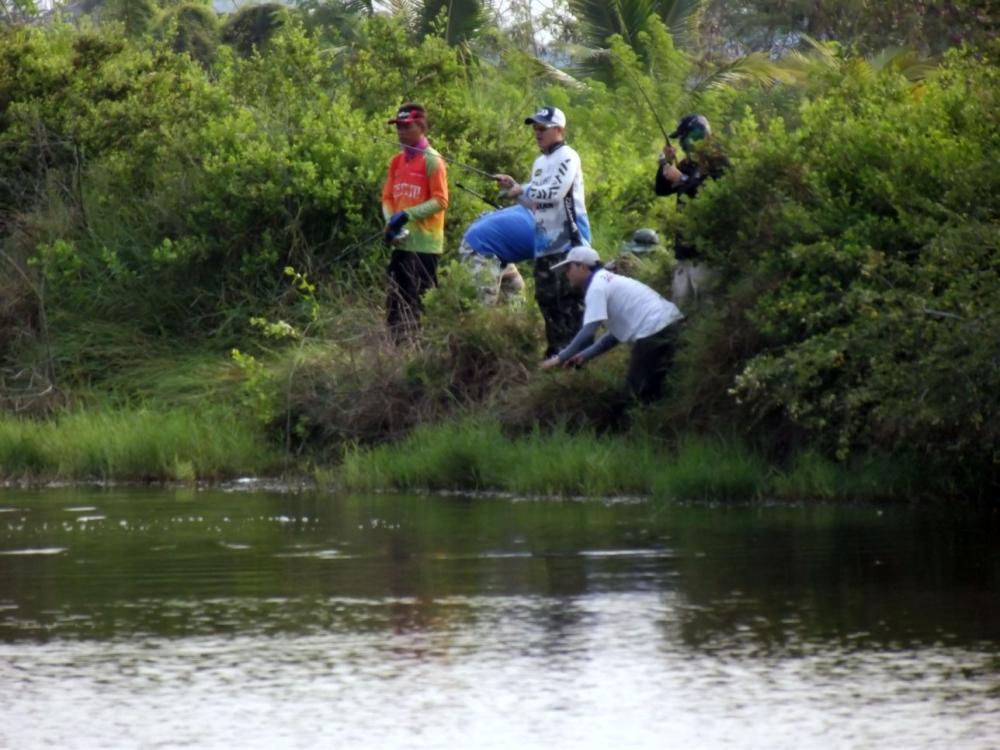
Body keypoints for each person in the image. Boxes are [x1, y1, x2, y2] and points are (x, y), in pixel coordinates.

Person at [493, 106, 591, 355]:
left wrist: (522, 189)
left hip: (570, 244)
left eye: (542, 128)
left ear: (558, 130)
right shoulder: (539, 162)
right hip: (543, 246)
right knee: (547, 302)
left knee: (569, 303)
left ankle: (579, 357)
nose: (537, 133)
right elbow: (535, 202)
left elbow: (555, 193)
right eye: (534, 127)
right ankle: (556, 354)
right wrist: (516, 190)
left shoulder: (568, 155)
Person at [540, 246, 684, 402]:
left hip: (653, 329)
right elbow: (614, 336)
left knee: (635, 396)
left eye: (568, 268)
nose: (566, 274)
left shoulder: (596, 287)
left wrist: (559, 359)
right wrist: (585, 355)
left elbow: (588, 332)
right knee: (655, 389)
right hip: (669, 323)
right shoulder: (605, 280)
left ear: (583, 266)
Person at [381, 103, 449, 342]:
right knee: (394, 306)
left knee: (419, 305)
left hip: (425, 246)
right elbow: (388, 197)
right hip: (401, 244)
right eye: (398, 127)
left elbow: (440, 200)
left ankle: (421, 352)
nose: (400, 132)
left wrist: (407, 215)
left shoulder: (433, 160)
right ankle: (396, 352)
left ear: (420, 127)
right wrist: (391, 221)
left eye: (405, 126)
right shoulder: (397, 162)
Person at [654, 114, 729, 309]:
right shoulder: (688, 164)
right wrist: (666, 164)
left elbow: (712, 193)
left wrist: (684, 180)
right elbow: (662, 190)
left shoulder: (718, 162)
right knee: (681, 309)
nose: (682, 143)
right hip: (684, 253)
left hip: (707, 254)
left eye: (684, 137)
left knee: (707, 308)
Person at [457, 204, 534, 305]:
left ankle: (514, 320)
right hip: (480, 248)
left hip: (498, 250)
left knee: (517, 293)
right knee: (485, 304)